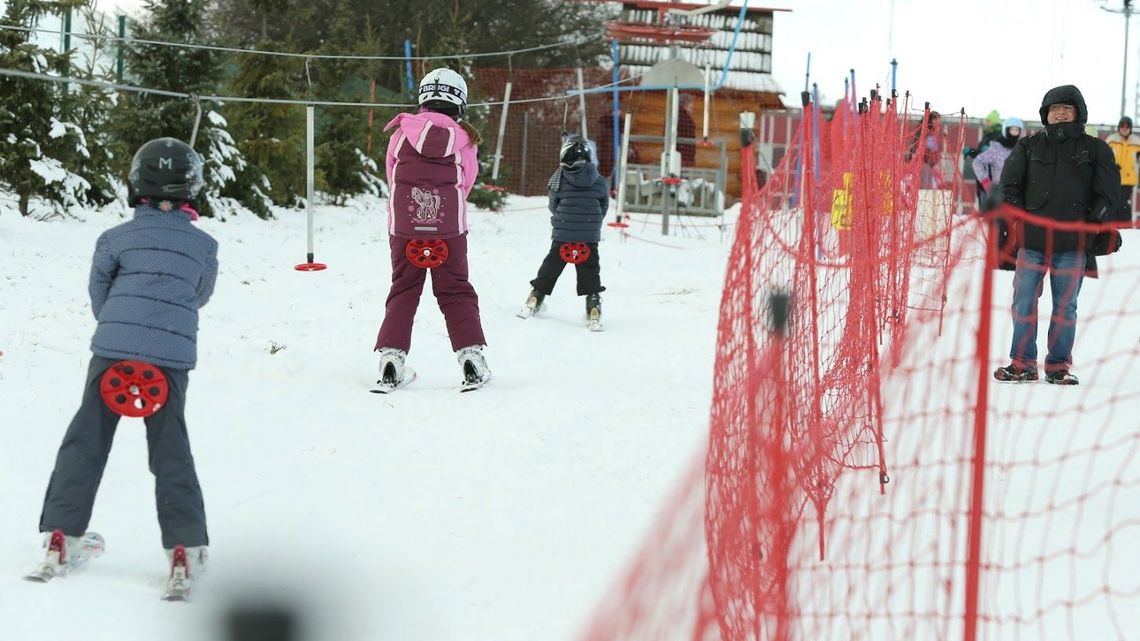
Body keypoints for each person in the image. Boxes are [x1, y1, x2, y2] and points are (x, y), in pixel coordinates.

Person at [35, 137, 217, 584]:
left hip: (112, 350)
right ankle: (184, 547)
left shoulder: (113, 238)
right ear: (192, 188)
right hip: (170, 357)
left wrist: (122, 325)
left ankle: (61, 535)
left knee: (86, 440)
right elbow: (199, 296)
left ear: (135, 183)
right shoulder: (204, 246)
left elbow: (100, 295)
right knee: (170, 449)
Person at [994, 85, 1120, 385]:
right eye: (1055, 109)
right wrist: (1019, 222)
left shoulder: (1096, 149)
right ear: (1046, 115)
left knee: (1066, 307)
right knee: (1023, 301)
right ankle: (1022, 363)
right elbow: (1009, 188)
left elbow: (1108, 193)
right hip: (1032, 242)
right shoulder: (1028, 147)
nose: (1061, 112)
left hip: (1073, 243)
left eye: (1067, 108)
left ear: (1078, 113)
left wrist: (1094, 225)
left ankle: (1058, 366)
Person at [375, 67, 491, 391]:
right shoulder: (464, 139)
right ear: (460, 103)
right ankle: (471, 359)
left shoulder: (400, 134)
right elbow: (466, 182)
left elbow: (392, 175)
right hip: (449, 232)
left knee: (403, 290)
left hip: (404, 230)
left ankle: (391, 360)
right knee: (455, 290)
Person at [518, 135, 608, 330]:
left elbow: (553, 205)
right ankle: (593, 305)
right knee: (590, 269)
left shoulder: (559, 179)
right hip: (589, 233)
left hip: (563, 232)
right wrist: (591, 223)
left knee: (552, 264)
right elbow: (603, 206)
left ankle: (535, 296)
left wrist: (564, 219)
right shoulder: (599, 180)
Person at [1105, 115, 1140, 222]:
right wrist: (1111, 166)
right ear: (1119, 127)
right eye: (1122, 126)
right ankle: (1113, 224)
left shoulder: (1137, 142)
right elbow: (1104, 157)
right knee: (1113, 202)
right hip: (1113, 177)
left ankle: (1125, 225)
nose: (1124, 128)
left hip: (1129, 179)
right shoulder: (1111, 140)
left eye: (1127, 126)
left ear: (1130, 128)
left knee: (1123, 202)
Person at [676, 93, 697, 167]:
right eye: (690, 103)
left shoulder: (681, 115)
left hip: (684, 156)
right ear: (684, 104)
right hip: (682, 156)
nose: (692, 105)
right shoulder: (681, 116)